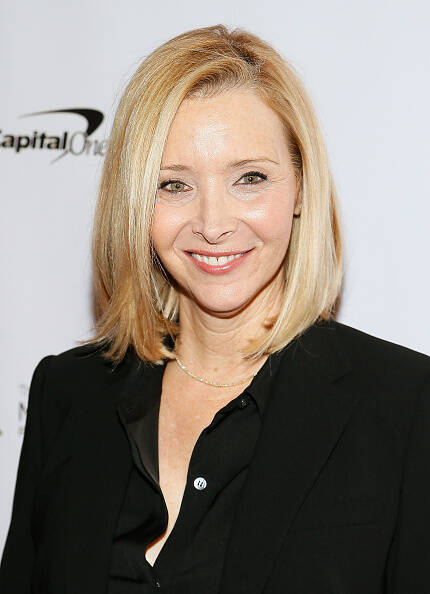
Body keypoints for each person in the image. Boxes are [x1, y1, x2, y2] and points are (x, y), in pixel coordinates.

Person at [1, 23, 429, 594]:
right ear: (135, 203)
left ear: (301, 188)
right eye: (173, 185)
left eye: (249, 178)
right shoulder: (67, 394)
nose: (212, 223)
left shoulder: (404, 407)